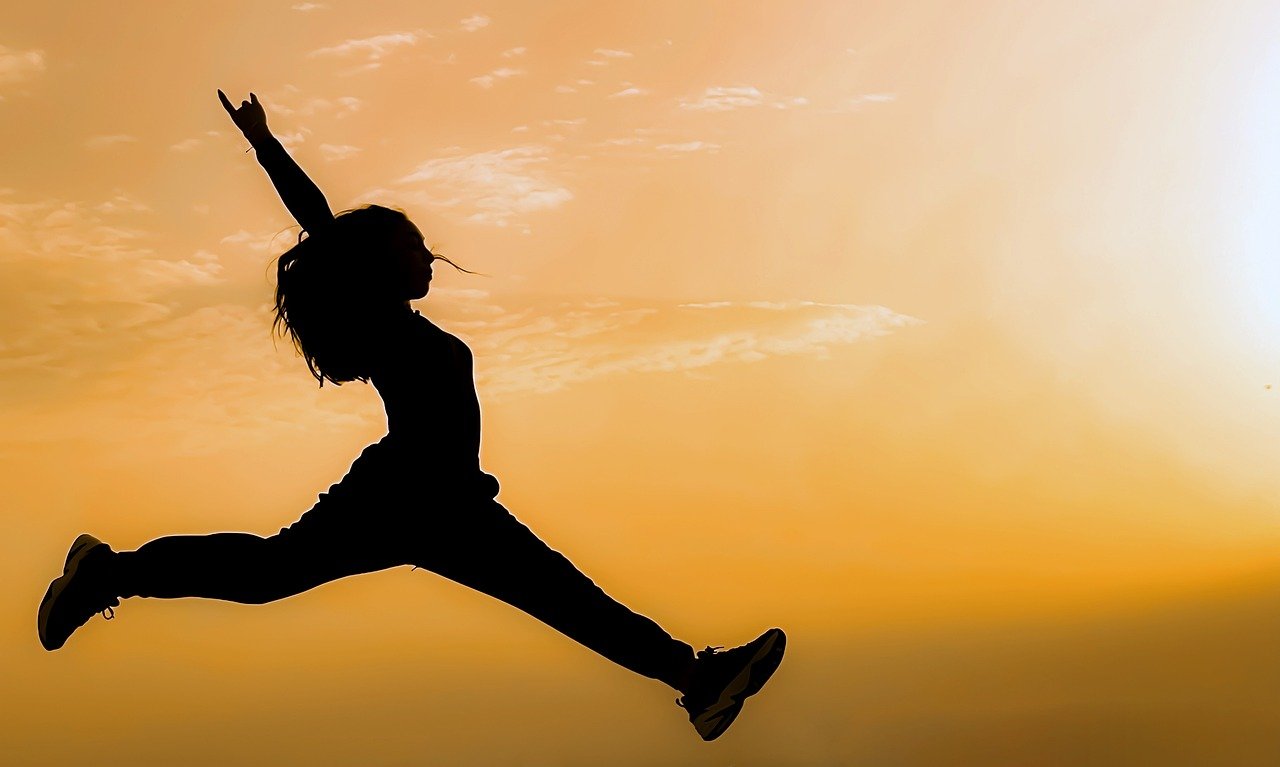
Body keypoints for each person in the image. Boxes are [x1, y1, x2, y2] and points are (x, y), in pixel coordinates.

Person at [36, 90, 785, 741]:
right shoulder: (380, 321)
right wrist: (267, 148)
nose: (432, 258)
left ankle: (698, 679)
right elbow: (321, 224)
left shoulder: (403, 327)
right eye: (417, 249)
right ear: (382, 266)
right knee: (269, 572)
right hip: (402, 498)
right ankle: (109, 572)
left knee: (570, 600)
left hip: (453, 506)